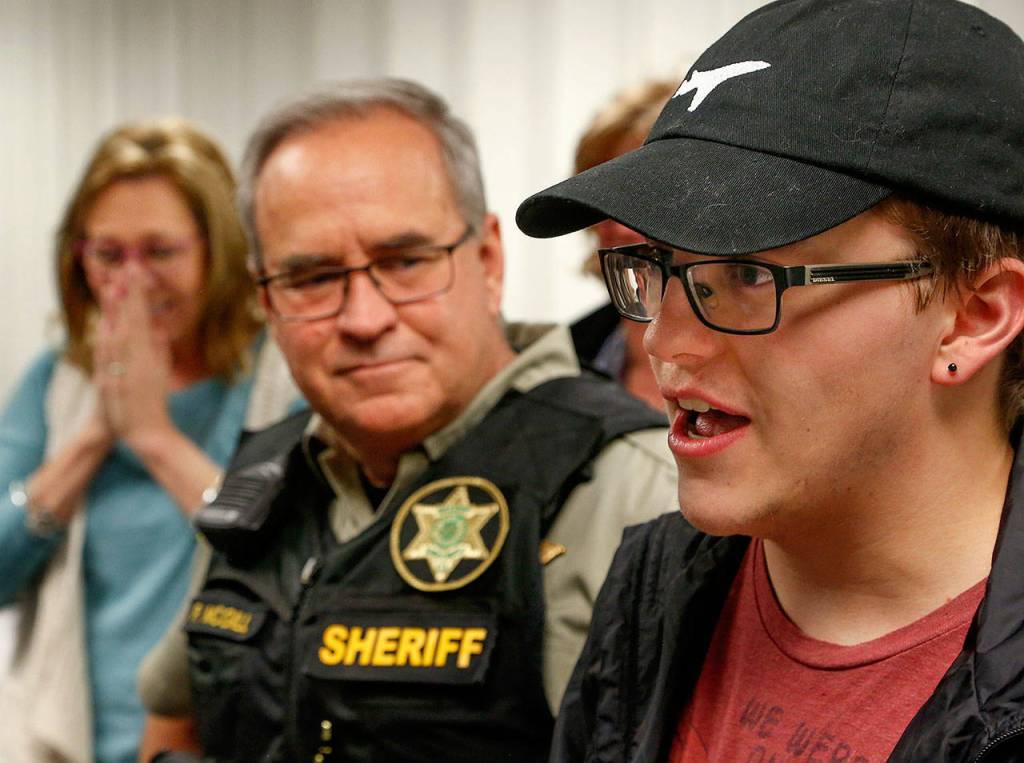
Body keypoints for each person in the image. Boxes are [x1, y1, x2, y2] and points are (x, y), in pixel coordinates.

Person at [516, 0, 1024, 760]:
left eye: (750, 273)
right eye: (660, 268)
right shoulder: (658, 583)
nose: (665, 339)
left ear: (972, 317)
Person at [136, 78, 675, 763]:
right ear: (266, 300)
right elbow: (172, 719)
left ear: (487, 259)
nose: (364, 318)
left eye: (406, 261)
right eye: (312, 278)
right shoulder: (261, 485)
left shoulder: (633, 492)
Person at [0, 118, 300, 763]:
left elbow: (289, 561)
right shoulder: (58, 384)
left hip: (226, 740)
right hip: (68, 740)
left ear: (216, 252)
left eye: (160, 253)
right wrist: (92, 438)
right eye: (107, 255)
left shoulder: (280, 373)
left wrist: (154, 438)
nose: (130, 283)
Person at [568, 79, 675, 410]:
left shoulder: (766, 349)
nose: (620, 228)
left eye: (647, 200)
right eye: (604, 200)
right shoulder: (567, 360)